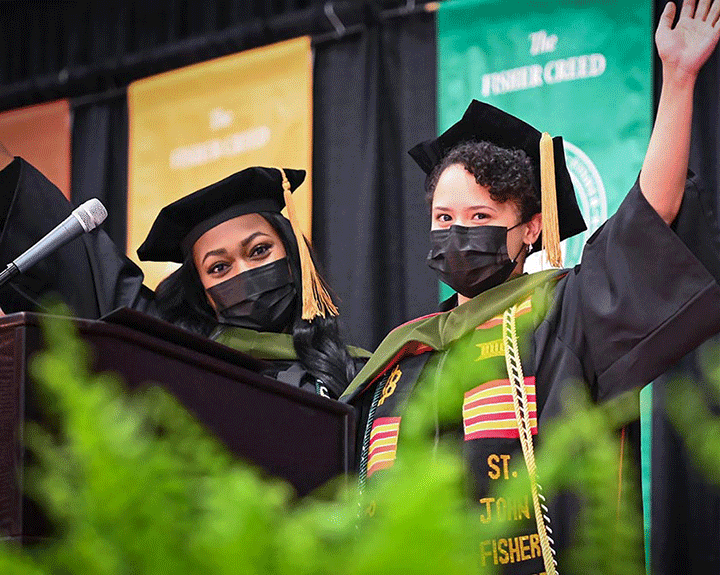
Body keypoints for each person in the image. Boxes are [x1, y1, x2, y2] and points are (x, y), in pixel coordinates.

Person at [341, 1, 720, 574]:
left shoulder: (565, 311)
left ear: (531, 228)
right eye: (444, 219)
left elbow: (651, 217)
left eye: (480, 216)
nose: (458, 233)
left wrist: (679, 80)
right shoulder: (403, 355)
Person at [0, 152, 366, 398]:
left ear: (293, 254)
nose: (246, 271)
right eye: (219, 267)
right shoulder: (184, 359)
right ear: (202, 291)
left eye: (259, 251)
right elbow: (90, 278)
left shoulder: (363, 372)